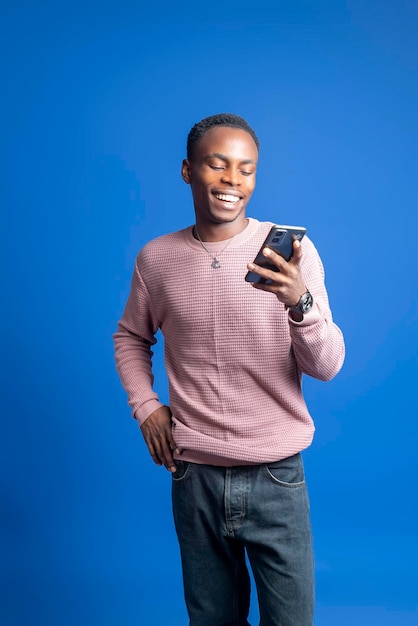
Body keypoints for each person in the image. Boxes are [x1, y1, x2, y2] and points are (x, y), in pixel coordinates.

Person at [113, 113, 345, 626]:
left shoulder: (293, 257)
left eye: (246, 169)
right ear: (187, 171)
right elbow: (131, 337)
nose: (232, 182)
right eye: (217, 166)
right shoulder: (157, 260)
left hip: (276, 476)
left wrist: (298, 302)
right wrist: (146, 406)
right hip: (193, 476)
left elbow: (327, 366)